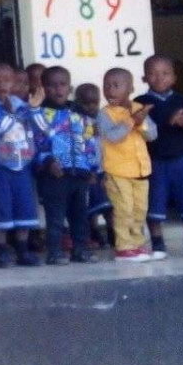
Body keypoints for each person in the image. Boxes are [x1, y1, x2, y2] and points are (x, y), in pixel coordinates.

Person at [136, 55, 183, 258]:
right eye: (153, 73)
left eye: (165, 73)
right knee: (154, 203)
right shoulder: (141, 103)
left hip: (181, 159)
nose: (160, 78)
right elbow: (143, 129)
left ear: (174, 78)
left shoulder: (182, 100)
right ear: (144, 78)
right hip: (154, 160)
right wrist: (170, 122)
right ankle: (158, 243)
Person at [0, 63, 45, 268]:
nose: (1, 85)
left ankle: (23, 250)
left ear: (14, 83)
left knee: (24, 208)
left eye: (6, 80)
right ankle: (2, 250)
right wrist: (10, 115)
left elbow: (41, 129)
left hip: (22, 166)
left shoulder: (23, 106)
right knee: (1, 210)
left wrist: (34, 108)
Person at [34, 66, 98, 265]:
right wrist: (47, 161)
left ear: (69, 88)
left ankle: (81, 250)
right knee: (55, 217)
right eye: (52, 85)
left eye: (62, 84)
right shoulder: (40, 113)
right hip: (54, 175)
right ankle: (54, 252)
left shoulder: (78, 112)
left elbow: (89, 140)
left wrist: (93, 167)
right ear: (43, 88)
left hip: (79, 174)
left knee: (80, 216)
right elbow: (36, 141)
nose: (58, 89)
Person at [97, 68, 158, 263]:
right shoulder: (104, 114)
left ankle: (138, 245)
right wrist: (132, 121)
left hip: (140, 170)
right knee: (124, 209)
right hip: (117, 171)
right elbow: (112, 137)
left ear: (130, 88)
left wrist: (140, 122)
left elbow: (153, 135)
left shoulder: (138, 108)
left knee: (140, 210)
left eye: (116, 85)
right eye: (106, 85)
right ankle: (124, 247)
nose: (110, 90)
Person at [72, 83, 113, 251]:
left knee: (110, 205)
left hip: (105, 169)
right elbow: (79, 141)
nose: (91, 107)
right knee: (92, 207)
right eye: (86, 103)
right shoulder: (76, 119)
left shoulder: (103, 117)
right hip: (87, 171)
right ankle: (94, 233)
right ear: (77, 102)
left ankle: (113, 233)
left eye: (94, 103)